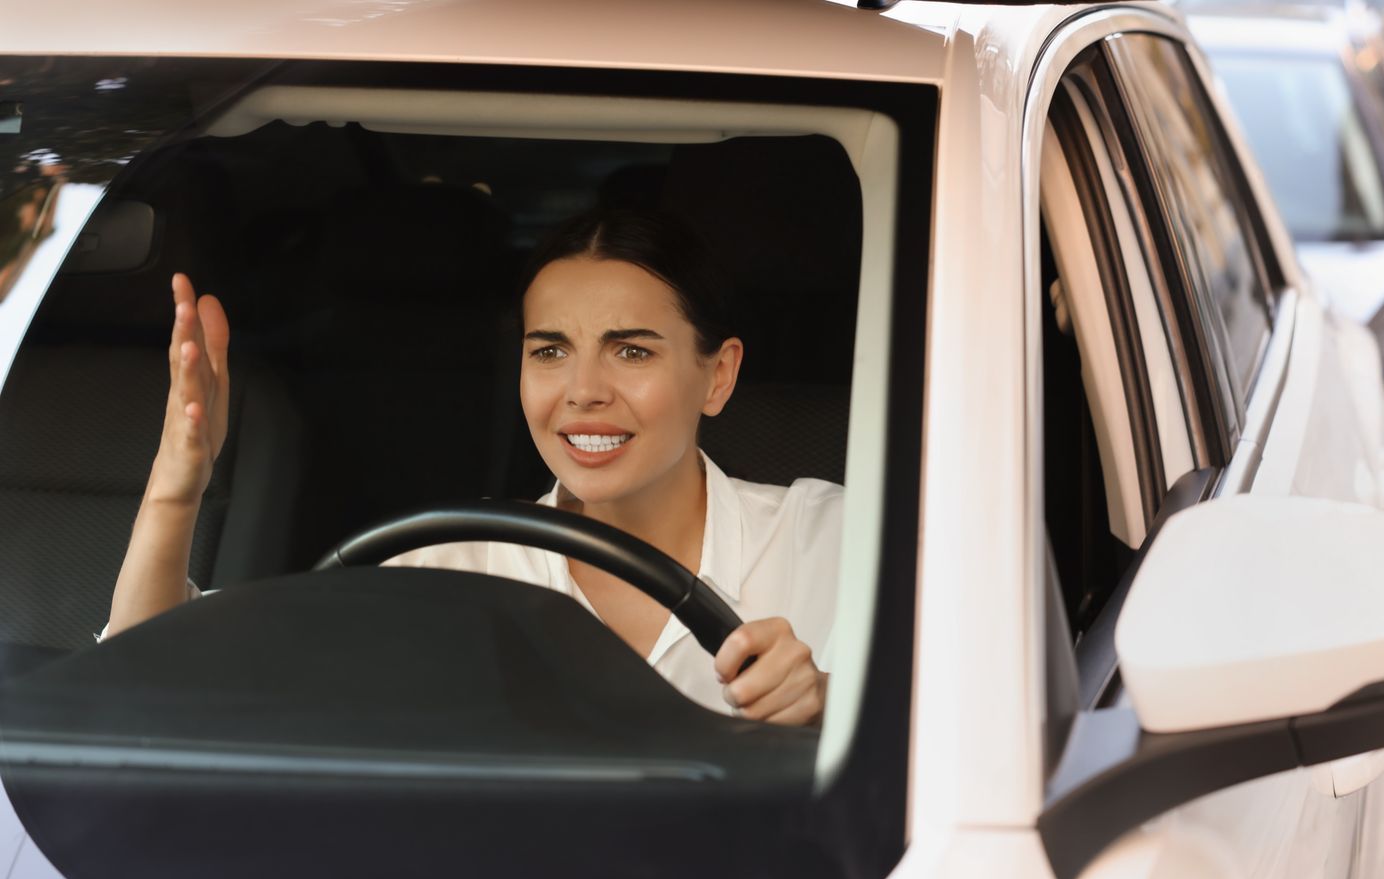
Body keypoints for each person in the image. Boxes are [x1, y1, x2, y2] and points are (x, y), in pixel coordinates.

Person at [105, 207, 840, 727]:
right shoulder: (444, 572)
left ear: (718, 375)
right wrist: (177, 488)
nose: (582, 391)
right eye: (549, 351)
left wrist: (831, 707)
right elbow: (155, 690)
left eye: (632, 350)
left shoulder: (838, 541)